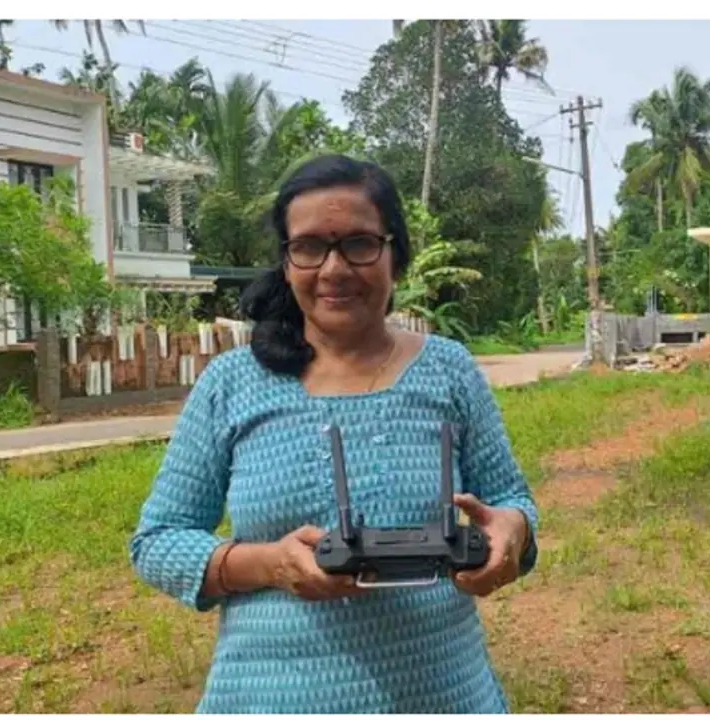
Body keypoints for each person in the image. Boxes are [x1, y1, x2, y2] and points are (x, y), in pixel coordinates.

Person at [129, 154, 539, 714]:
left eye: (359, 244)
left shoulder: (450, 371)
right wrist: (269, 563)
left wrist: (512, 531)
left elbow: (511, 503)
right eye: (310, 247)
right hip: (268, 697)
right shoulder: (233, 382)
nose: (334, 269)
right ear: (286, 260)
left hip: (443, 693)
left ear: (396, 255)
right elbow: (158, 540)